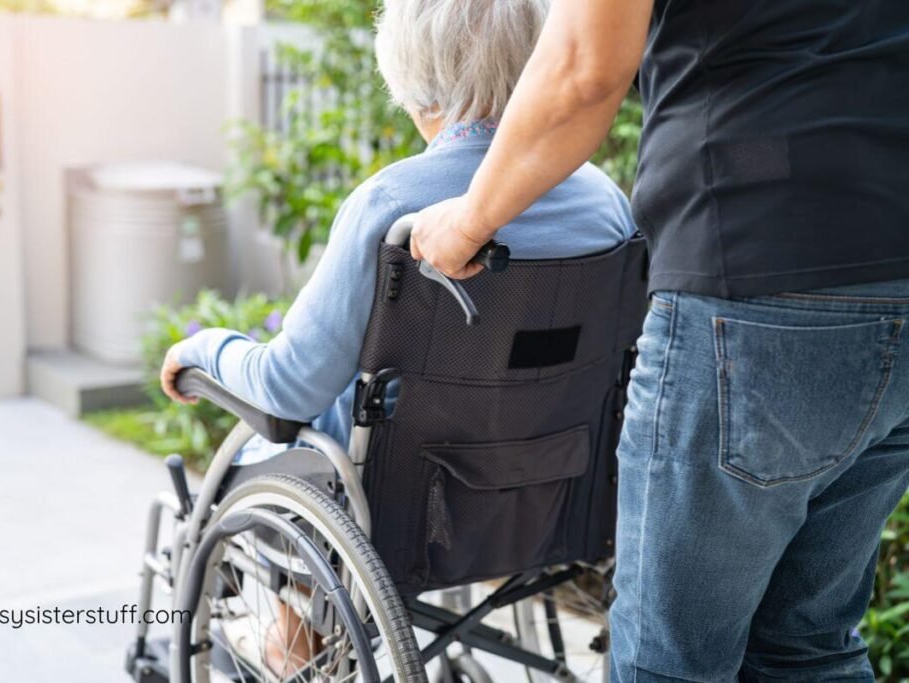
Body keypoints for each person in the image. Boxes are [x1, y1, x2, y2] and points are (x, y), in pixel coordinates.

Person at [410, 0, 909, 681]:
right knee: (807, 644)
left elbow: (583, 66)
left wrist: (468, 222)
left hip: (756, 270)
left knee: (670, 662)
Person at [160, 0, 635, 674]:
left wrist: (201, 349)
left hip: (396, 513)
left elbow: (287, 386)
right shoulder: (604, 203)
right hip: (550, 498)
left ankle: (289, 646)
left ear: (418, 79)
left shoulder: (392, 202)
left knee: (267, 467)